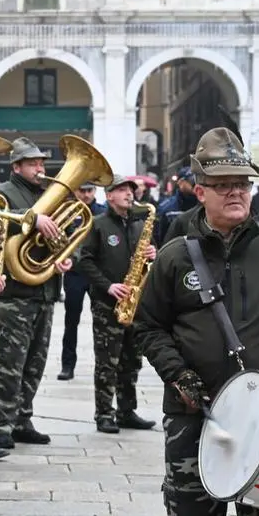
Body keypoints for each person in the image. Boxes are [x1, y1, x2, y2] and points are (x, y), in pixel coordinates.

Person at [134, 127, 259, 516]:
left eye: (242, 184)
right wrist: (178, 375)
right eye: (222, 185)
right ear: (200, 191)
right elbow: (148, 326)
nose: (236, 193)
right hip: (196, 415)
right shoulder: (175, 257)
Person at [0, 137, 72, 449]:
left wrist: (62, 255)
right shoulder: (3, 193)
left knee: (34, 364)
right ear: (17, 166)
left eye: (41, 162)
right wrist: (32, 217)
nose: (40, 168)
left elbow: (60, 237)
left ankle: (23, 418)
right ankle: (2, 424)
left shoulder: (50, 194)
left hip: (45, 292)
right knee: (8, 363)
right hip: (14, 295)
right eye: (33, 163)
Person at [77, 176, 157, 434]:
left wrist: (152, 255)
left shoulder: (138, 224)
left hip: (133, 304)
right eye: (122, 190)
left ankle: (126, 410)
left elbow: (142, 263)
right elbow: (84, 261)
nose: (128, 194)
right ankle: (104, 414)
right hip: (106, 304)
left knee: (132, 360)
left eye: (131, 190)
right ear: (109, 196)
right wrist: (108, 286)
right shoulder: (98, 225)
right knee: (107, 362)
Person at [58, 183, 105, 381]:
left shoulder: (103, 212)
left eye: (89, 191)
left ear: (95, 192)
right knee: (71, 322)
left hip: (97, 273)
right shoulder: (68, 212)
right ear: (76, 192)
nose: (86, 195)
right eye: (82, 191)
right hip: (75, 273)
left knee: (102, 322)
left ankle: (103, 366)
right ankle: (67, 365)